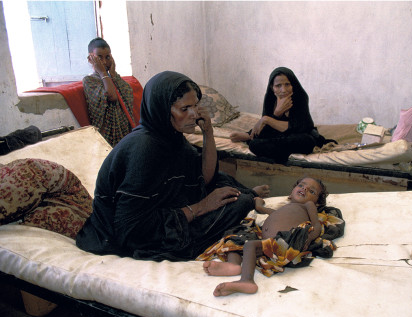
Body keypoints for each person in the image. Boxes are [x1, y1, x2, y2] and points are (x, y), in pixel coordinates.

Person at [76, 71, 270, 262]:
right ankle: (248, 197)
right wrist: (202, 207)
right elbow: (130, 228)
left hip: (163, 209)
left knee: (222, 180)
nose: (194, 114)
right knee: (239, 204)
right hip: (127, 237)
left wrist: (208, 132)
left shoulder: (171, 137)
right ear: (161, 109)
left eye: (195, 106)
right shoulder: (144, 149)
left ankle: (248, 194)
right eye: (184, 108)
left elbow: (204, 178)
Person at [200, 177, 338, 296]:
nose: (305, 189)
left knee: (250, 245)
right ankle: (234, 265)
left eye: (311, 191)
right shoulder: (287, 208)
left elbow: (317, 225)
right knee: (237, 234)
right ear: (291, 192)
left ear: (317, 202)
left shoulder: (308, 205)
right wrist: (259, 206)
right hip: (267, 242)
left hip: (285, 242)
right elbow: (272, 213)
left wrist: (309, 237)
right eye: (301, 185)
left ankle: (247, 281)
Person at [230, 67, 329, 163]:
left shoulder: (300, 97)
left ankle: (271, 152)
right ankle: (255, 139)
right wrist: (276, 114)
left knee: (307, 141)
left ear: (293, 85)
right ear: (272, 87)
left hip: (299, 135)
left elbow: (300, 127)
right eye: (278, 85)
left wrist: (267, 119)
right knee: (254, 145)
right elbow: (268, 129)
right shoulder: (270, 99)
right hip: (279, 136)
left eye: (287, 84)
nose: (284, 90)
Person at [83, 37, 138, 147]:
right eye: (99, 57)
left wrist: (112, 75)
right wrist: (103, 72)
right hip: (107, 136)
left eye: (107, 57)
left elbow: (127, 94)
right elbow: (112, 96)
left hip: (125, 133)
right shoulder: (90, 81)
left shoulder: (114, 78)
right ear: (90, 59)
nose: (104, 62)